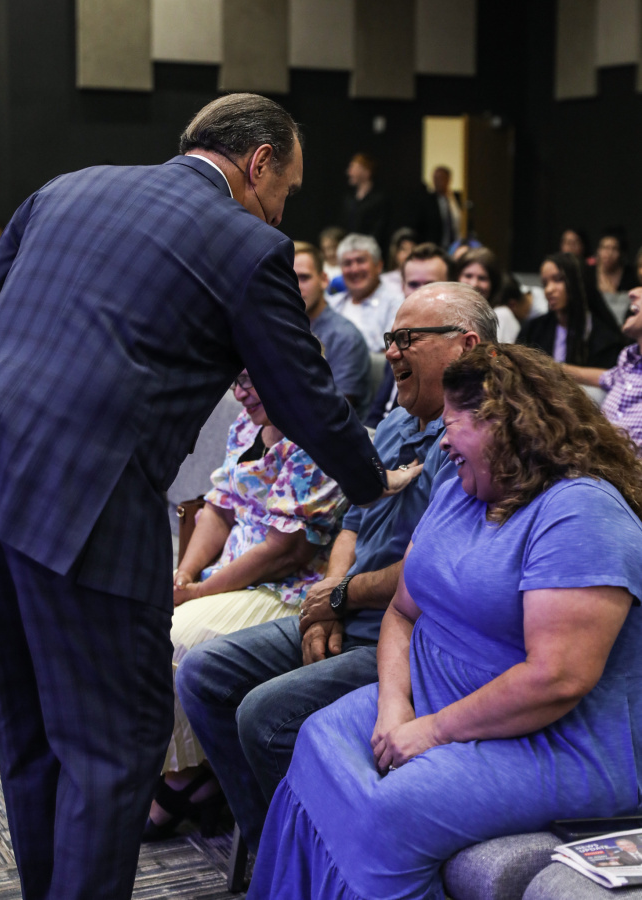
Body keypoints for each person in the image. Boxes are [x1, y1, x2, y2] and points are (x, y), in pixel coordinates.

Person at [0, 93, 416, 900]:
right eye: (287, 189)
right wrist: (372, 478)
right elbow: (301, 395)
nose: (283, 208)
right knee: (116, 743)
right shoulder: (245, 242)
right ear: (259, 162)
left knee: (31, 726)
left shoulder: (65, 187)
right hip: (89, 505)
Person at [248, 343, 642, 900]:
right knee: (316, 739)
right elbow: (402, 610)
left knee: (391, 810)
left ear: (507, 423)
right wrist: (394, 705)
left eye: (454, 423)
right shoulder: (461, 489)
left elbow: (556, 678)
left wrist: (432, 731)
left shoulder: (582, 511)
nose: (442, 440)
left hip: (553, 740)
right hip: (435, 694)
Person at [176, 284, 498, 853]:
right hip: (350, 608)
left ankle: (311, 860)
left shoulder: (473, 439)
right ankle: (271, 847)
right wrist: (329, 594)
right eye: (390, 337)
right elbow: (352, 520)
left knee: (263, 717)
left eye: (407, 338)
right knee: (204, 672)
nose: (391, 351)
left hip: (409, 636)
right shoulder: (396, 423)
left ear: (467, 346)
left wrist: (340, 596)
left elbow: (431, 571)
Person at [145, 370, 348, 839]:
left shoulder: (317, 433)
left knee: (171, 636)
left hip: (289, 591)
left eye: (249, 380)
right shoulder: (247, 425)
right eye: (234, 381)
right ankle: (185, 768)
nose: (239, 394)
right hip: (230, 576)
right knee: (145, 620)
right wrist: (185, 574)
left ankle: (186, 777)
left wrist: (200, 594)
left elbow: (285, 552)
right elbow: (218, 509)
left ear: (284, 367)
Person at [366, 243, 453, 428]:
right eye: (413, 284)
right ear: (402, 287)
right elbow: (378, 410)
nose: (420, 293)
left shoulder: (452, 344)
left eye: (430, 285)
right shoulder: (399, 333)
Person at [293, 241, 371, 417]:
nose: (295, 287)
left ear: (324, 280)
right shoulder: (282, 328)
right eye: (288, 279)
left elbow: (335, 410)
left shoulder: (345, 337)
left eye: (304, 278)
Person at [564, 287, 642, 447]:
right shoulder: (629, 360)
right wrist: (548, 366)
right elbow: (602, 377)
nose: (632, 292)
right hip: (599, 455)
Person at [518, 252, 625, 369]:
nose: (549, 290)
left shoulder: (605, 338)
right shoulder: (533, 330)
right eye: (545, 284)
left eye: (558, 280)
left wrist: (560, 369)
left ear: (578, 282)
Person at [329, 233, 403, 352]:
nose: (354, 269)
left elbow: (390, 354)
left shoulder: (396, 304)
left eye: (360, 261)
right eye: (347, 263)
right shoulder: (331, 303)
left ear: (378, 266)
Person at [340, 153, 390, 253]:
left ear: (367, 172)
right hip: (350, 248)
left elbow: (380, 229)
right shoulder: (349, 199)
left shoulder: (379, 199)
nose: (349, 172)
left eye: (354, 168)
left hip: (371, 250)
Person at [595, 229, 637, 295]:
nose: (609, 253)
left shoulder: (631, 275)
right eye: (605, 248)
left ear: (621, 253)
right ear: (598, 250)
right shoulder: (589, 273)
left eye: (614, 249)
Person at [382, 227, 418, 292]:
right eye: (403, 249)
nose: (408, 254)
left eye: (412, 249)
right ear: (395, 252)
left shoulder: (423, 280)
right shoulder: (383, 281)